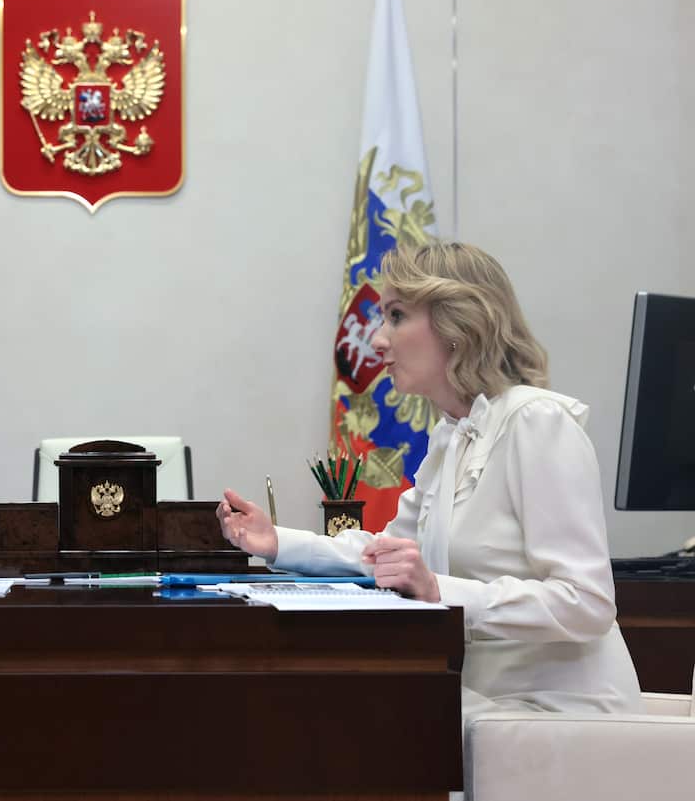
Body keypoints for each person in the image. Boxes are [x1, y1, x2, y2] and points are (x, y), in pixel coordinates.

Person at [217, 240, 642, 718]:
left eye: (396, 316)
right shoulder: (451, 435)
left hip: (561, 715)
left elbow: (587, 603)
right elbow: (384, 555)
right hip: (482, 702)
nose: (378, 340)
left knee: (354, 718)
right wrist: (277, 542)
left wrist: (440, 591)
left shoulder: (536, 422)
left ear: (458, 325)